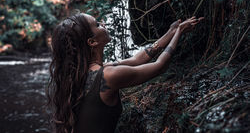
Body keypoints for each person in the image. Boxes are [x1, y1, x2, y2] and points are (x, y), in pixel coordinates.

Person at [47, 13, 203, 133]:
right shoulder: (109, 76)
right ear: (92, 42)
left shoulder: (83, 74)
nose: (103, 24)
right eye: (97, 24)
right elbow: (160, 66)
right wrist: (179, 33)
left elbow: (137, 59)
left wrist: (171, 32)